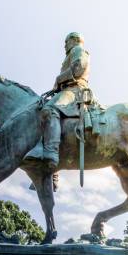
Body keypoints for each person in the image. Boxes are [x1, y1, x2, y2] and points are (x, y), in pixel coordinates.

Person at [40, 32, 90, 169]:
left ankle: (51, 152)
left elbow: (78, 68)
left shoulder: (77, 50)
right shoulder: (71, 52)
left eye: (66, 42)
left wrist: (58, 79)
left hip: (74, 90)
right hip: (66, 89)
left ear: (74, 40)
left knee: (50, 110)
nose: (64, 46)